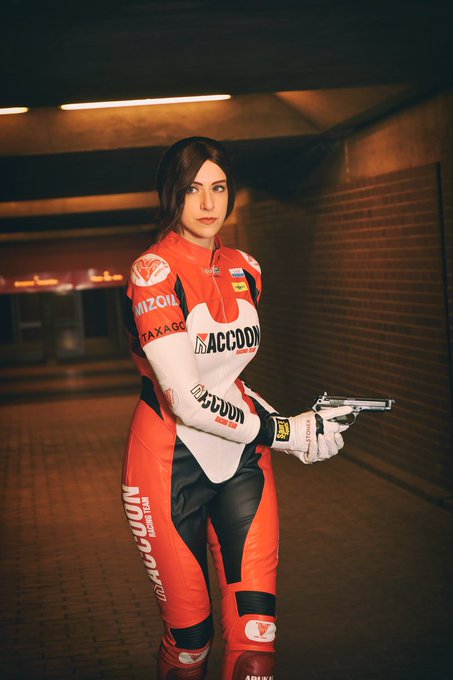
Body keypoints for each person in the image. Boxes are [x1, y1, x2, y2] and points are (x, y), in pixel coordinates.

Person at [121, 137, 352, 680]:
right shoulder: (153, 273)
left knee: (256, 643)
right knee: (191, 643)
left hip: (243, 462)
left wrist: (301, 424)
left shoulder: (246, 267)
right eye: (192, 189)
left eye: (219, 187)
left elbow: (229, 380)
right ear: (171, 195)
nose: (208, 203)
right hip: (168, 464)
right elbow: (186, 399)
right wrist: (283, 432)